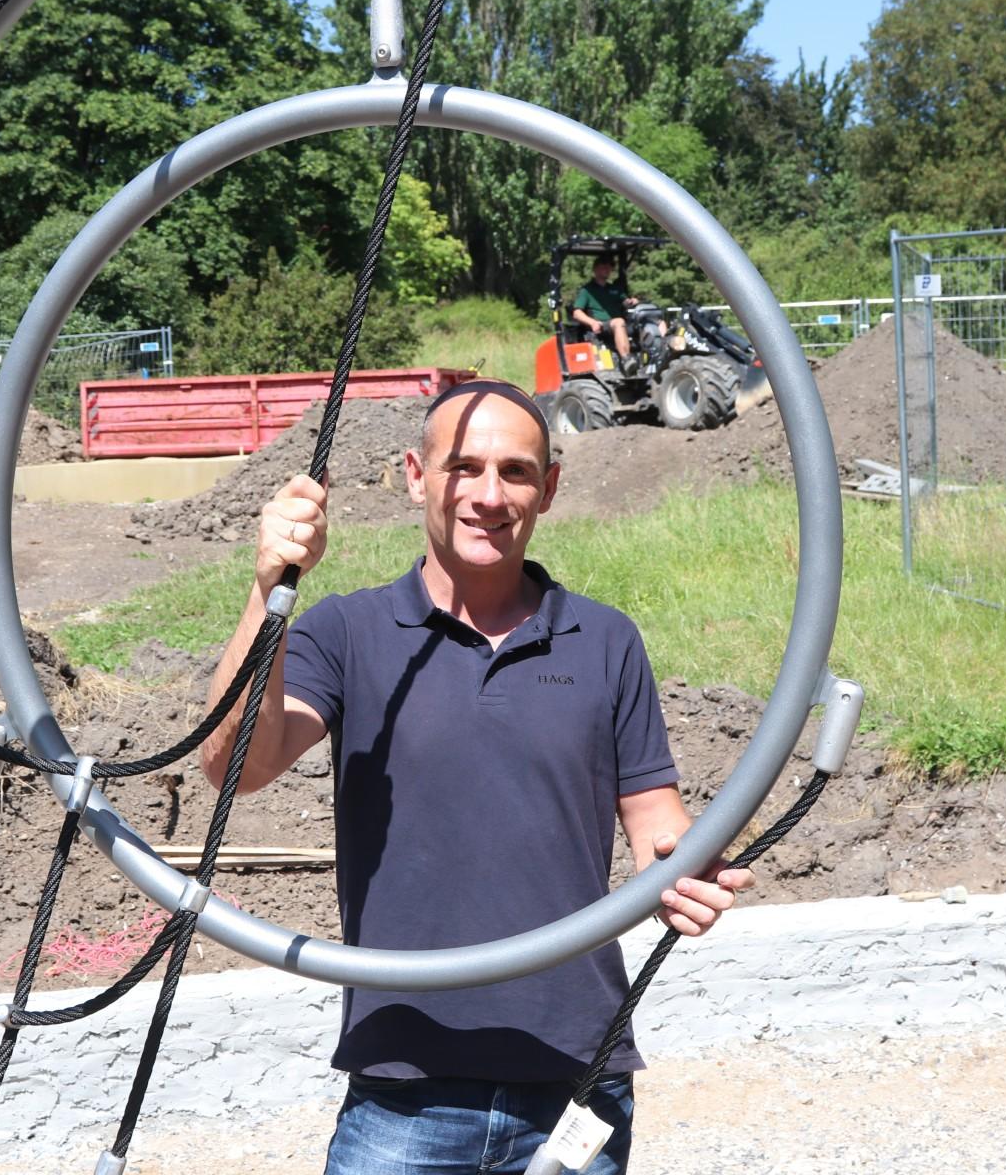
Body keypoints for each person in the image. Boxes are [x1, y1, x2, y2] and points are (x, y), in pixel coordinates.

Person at [198, 380, 753, 1174]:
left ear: (550, 488)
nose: (489, 495)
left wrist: (682, 873)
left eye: (517, 472)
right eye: (464, 468)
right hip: (405, 1087)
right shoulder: (347, 632)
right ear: (415, 476)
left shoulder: (605, 640)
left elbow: (656, 828)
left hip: (574, 1079)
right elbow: (233, 767)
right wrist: (270, 589)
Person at [569, 255, 640, 370]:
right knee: (619, 322)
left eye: (608, 267)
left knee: (651, 318)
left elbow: (626, 302)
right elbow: (577, 313)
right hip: (602, 325)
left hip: (618, 324)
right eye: (603, 267)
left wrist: (633, 301)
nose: (607, 270)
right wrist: (592, 323)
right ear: (595, 269)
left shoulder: (614, 289)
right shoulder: (587, 291)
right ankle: (627, 360)